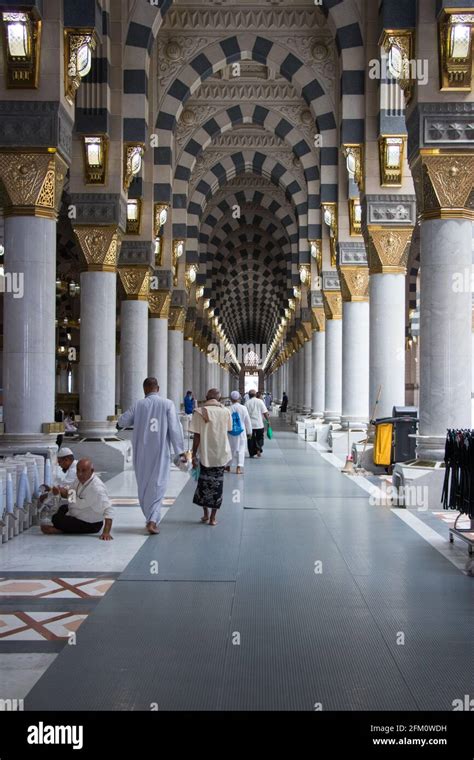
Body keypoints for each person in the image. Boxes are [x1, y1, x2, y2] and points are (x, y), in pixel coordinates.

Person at [117, 377, 186, 535]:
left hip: (141, 452)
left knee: (144, 485)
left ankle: (150, 518)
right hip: (160, 451)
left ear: (144, 389)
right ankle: (152, 520)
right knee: (158, 484)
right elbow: (175, 430)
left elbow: (122, 421)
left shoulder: (138, 405)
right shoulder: (167, 404)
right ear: (158, 388)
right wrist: (179, 452)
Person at [40, 459, 114, 540]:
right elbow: (71, 496)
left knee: (56, 519)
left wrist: (106, 532)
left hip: (91, 524)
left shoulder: (97, 488)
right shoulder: (78, 480)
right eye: (78, 470)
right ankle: (66, 527)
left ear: (92, 471)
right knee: (62, 508)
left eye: (83, 471)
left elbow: (109, 509)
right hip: (77, 513)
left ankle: (60, 530)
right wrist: (57, 491)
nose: (80, 474)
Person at [189, 388, 232, 526]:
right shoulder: (226, 411)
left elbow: (197, 436)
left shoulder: (199, 412)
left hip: (205, 454)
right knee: (218, 485)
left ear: (206, 397)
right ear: (219, 399)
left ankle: (205, 514)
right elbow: (228, 430)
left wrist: (193, 454)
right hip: (221, 454)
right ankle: (213, 517)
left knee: (203, 484)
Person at [38, 448, 78, 516]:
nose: (59, 465)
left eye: (60, 462)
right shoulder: (75, 466)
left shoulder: (73, 471)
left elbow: (60, 490)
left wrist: (46, 496)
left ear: (66, 460)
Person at [226, 390, 252, 475]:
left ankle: (228, 466)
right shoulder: (243, 408)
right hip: (241, 431)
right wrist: (249, 432)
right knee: (241, 449)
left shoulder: (227, 409)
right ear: (239, 398)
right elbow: (247, 421)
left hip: (230, 432)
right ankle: (238, 467)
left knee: (231, 449)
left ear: (230, 399)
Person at [246, 389, 270, 458]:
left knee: (250, 439)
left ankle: (251, 453)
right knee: (260, 438)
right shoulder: (260, 402)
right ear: (255, 395)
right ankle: (258, 448)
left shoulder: (247, 403)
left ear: (249, 395)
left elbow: (245, 415)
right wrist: (268, 421)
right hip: (259, 424)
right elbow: (265, 412)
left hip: (250, 425)